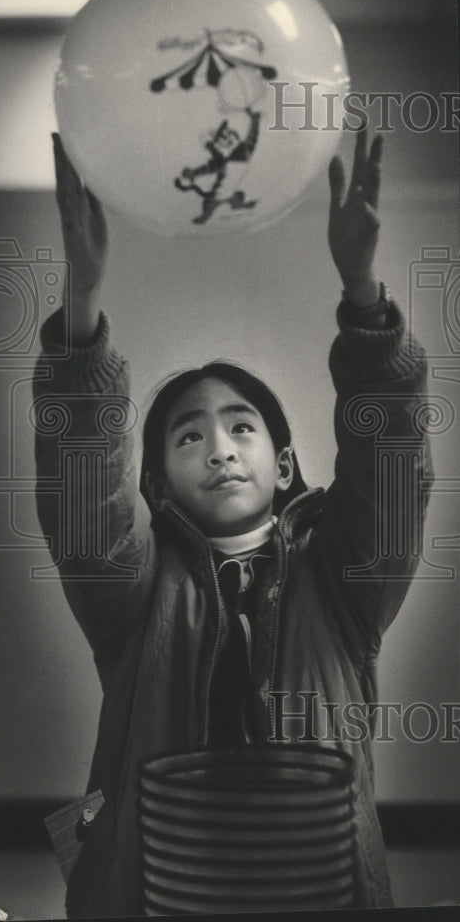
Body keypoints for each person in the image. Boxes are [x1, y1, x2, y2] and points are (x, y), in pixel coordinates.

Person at [33, 129, 433, 916]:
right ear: (153, 485)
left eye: (243, 427)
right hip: (154, 900)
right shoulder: (133, 595)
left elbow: (391, 466)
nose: (219, 447)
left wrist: (362, 291)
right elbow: (82, 494)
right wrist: (81, 304)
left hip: (321, 897)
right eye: (189, 435)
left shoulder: (344, 584)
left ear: (284, 465)